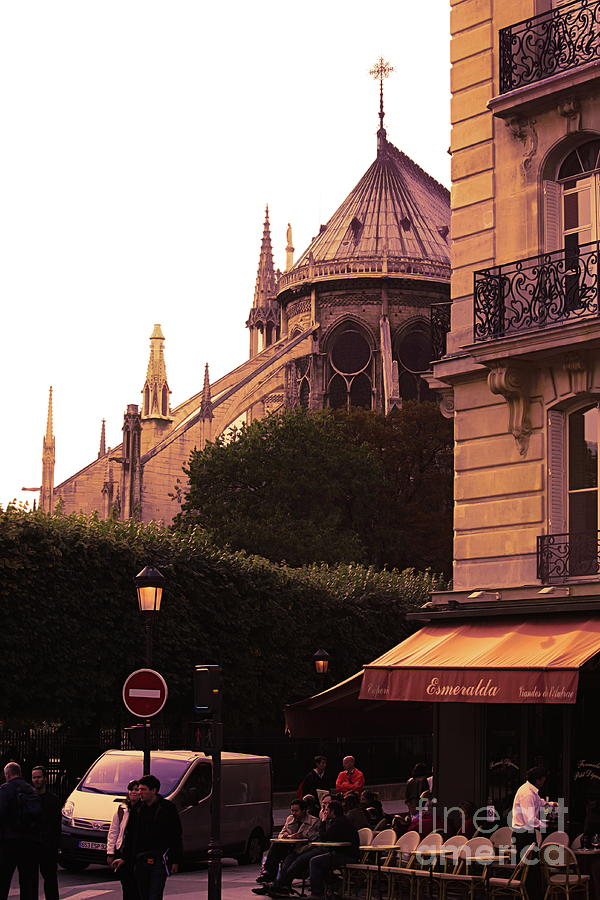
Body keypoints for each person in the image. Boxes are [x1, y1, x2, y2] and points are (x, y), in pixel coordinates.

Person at [269, 800, 359, 899]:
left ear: (332, 811)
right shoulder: (336, 821)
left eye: (326, 810)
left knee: (312, 861)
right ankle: (281, 885)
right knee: (291, 858)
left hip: (344, 855)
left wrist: (323, 821)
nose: (325, 812)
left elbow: (324, 837)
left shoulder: (340, 822)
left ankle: (316, 893)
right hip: (332, 850)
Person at [117, 773, 182, 900]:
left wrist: (176, 860)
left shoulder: (167, 808)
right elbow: (130, 835)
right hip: (140, 858)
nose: (139, 792)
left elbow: (176, 834)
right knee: (142, 894)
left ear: (154, 790)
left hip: (159, 859)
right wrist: (124, 857)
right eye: (139, 789)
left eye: (143, 789)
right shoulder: (138, 809)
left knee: (155, 894)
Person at [253, 799, 319, 894]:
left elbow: (312, 838)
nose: (293, 813)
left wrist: (300, 836)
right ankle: (269, 876)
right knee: (276, 845)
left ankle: (277, 885)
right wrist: (286, 836)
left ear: (304, 810)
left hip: (302, 848)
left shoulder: (314, 821)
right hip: (289, 846)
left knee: (287, 862)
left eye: (296, 811)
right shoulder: (290, 819)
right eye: (292, 810)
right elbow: (281, 833)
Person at [0, 762, 42, 900]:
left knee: (4, 880)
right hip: (29, 842)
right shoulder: (31, 790)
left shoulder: (5, 790)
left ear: (7, 774)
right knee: (27, 883)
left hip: (9, 842)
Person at [107, 779, 141, 900]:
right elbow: (113, 831)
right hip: (121, 850)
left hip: (135, 853)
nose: (133, 792)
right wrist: (110, 852)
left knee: (136, 885)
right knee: (126, 885)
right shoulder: (122, 809)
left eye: (137, 790)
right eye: (131, 789)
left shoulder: (142, 810)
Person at [31, 766, 61, 900]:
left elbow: (56, 825)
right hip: (32, 845)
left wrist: (55, 846)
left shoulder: (53, 800)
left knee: (50, 881)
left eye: (39, 777)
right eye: (34, 777)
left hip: (48, 847)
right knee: (30, 882)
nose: (36, 780)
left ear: (45, 779)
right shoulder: (28, 799)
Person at [511, 766, 553, 856]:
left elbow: (538, 801)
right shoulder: (528, 794)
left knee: (531, 865)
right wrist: (544, 825)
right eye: (543, 779)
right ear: (538, 780)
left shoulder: (529, 790)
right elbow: (530, 820)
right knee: (529, 866)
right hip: (523, 835)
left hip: (524, 834)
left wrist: (550, 804)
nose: (544, 781)